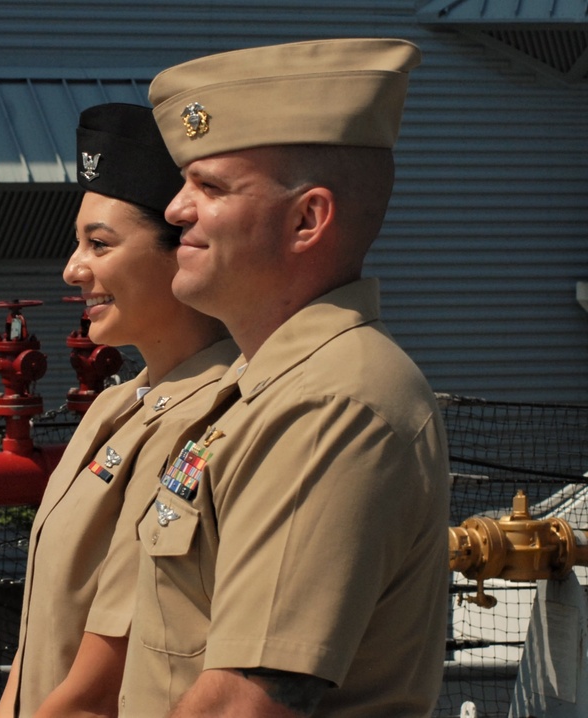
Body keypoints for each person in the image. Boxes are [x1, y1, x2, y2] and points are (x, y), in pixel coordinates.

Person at [118, 38, 451, 717]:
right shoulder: (264, 387)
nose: (176, 210)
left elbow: (244, 702)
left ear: (308, 219)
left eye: (209, 187)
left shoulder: (330, 402)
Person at [0, 103, 237, 718]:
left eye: (99, 244)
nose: (73, 269)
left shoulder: (215, 415)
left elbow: (100, 687)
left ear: (183, 249)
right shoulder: (114, 406)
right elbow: (36, 648)